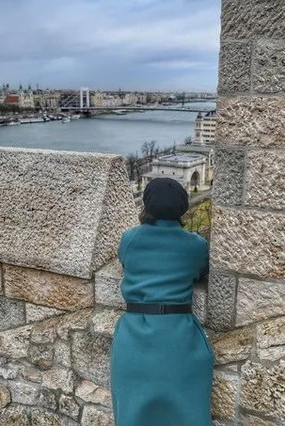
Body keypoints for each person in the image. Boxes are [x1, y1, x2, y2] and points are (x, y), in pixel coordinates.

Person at [110, 178, 212, 426]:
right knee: (187, 415)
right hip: (179, 340)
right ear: (182, 209)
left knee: (133, 416)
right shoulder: (195, 246)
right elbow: (201, 270)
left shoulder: (130, 239)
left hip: (133, 339)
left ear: (147, 206)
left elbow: (124, 261)